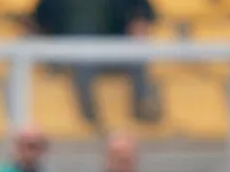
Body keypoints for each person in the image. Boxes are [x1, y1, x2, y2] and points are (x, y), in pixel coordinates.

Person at [31, 0, 160, 124]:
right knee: (83, 65)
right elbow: (38, 20)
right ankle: (91, 120)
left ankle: (142, 107)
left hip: (111, 52)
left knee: (137, 60)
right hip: (70, 56)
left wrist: (140, 20)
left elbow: (143, 12)